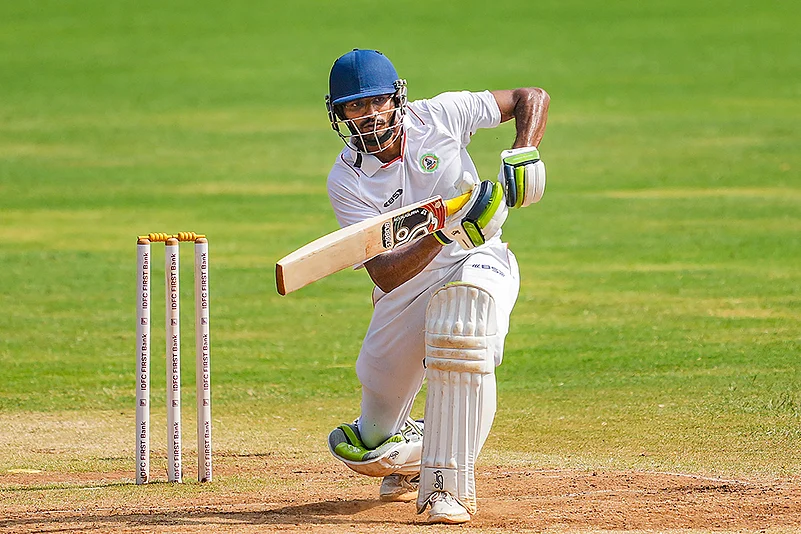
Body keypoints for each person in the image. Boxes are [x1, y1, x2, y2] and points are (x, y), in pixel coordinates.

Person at [324, 49, 549, 524]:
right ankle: (412, 450)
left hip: (478, 258)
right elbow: (385, 273)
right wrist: (447, 231)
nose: (370, 115)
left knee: (462, 331)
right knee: (368, 447)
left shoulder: (441, 115)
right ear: (340, 113)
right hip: (405, 285)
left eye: (379, 102)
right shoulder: (347, 180)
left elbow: (530, 96)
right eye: (355, 107)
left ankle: (447, 488)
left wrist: (524, 148)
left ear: (397, 98)